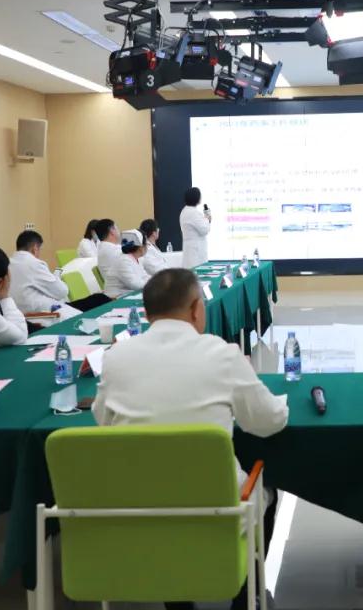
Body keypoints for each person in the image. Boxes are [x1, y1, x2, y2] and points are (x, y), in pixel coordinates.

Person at [93, 268, 287, 610]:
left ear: (147, 313)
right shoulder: (221, 354)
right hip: (217, 506)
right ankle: (246, 595)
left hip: (136, 504)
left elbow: (102, 420)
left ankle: (178, 602)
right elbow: (268, 422)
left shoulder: (116, 357)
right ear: (197, 308)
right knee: (268, 488)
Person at [10, 231, 110, 320]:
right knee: (100, 299)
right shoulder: (33, 263)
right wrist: (56, 279)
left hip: (26, 314)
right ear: (35, 248)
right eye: (40, 250)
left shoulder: (9, 264)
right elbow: (62, 291)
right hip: (47, 313)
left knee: (97, 298)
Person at [101, 229, 150, 298]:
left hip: (128, 295)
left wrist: (154, 281)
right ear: (140, 247)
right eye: (147, 244)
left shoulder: (137, 258)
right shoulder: (124, 260)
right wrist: (152, 284)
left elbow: (144, 276)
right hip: (115, 298)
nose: (147, 247)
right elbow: (134, 284)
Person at [180, 187, 211, 269]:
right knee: (196, 272)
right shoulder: (193, 213)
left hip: (191, 248)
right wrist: (208, 219)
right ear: (196, 198)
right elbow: (204, 230)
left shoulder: (185, 211)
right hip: (196, 250)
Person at [94, 218, 121, 289]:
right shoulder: (113, 250)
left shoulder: (105, 247)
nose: (119, 231)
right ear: (112, 231)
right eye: (117, 228)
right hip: (121, 291)